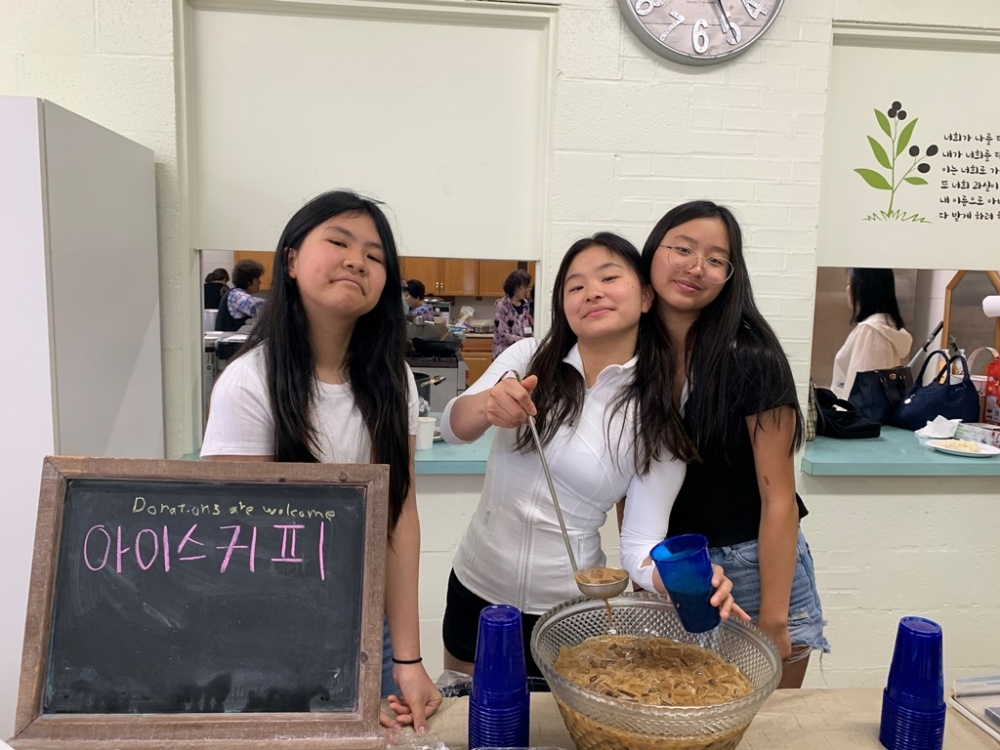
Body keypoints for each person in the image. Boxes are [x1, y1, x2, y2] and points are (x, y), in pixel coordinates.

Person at [441, 232, 744, 681]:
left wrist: (681, 579)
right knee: (468, 712)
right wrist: (487, 406)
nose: (592, 292)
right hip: (475, 590)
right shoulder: (528, 358)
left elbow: (640, 545)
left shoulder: (658, 414)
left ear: (646, 297)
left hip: (567, 612)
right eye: (576, 285)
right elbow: (453, 428)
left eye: (608, 278)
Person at [200, 190, 441, 730]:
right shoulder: (249, 383)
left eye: (374, 255)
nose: (357, 261)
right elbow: (240, 552)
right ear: (290, 260)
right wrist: (314, 680)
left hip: (367, 627)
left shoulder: (392, 380)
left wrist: (408, 660)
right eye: (338, 242)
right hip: (266, 640)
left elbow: (398, 515)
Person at [641, 200, 829, 689]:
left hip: (754, 566)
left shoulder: (751, 357)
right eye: (683, 249)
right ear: (653, 252)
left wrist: (774, 618)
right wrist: (644, 570)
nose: (695, 267)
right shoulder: (635, 359)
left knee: (771, 721)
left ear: (730, 275)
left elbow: (779, 498)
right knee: (681, 713)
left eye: (716, 259)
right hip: (677, 569)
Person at [831, 268, 912, 399]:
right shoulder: (887, 327)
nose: (847, 289)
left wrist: (844, 410)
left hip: (858, 411)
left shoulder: (870, 331)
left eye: (849, 283)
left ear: (863, 288)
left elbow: (861, 389)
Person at [214, 259, 267, 332]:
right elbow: (255, 305)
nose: (260, 282)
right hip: (227, 338)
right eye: (257, 279)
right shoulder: (235, 295)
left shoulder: (234, 294)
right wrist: (278, 303)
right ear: (248, 282)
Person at [492, 269, 534, 358]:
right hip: (505, 354)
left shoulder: (525, 305)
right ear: (515, 288)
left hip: (521, 354)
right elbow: (503, 334)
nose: (527, 290)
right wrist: (524, 341)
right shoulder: (502, 306)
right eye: (525, 287)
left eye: (528, 287)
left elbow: (528, 328)